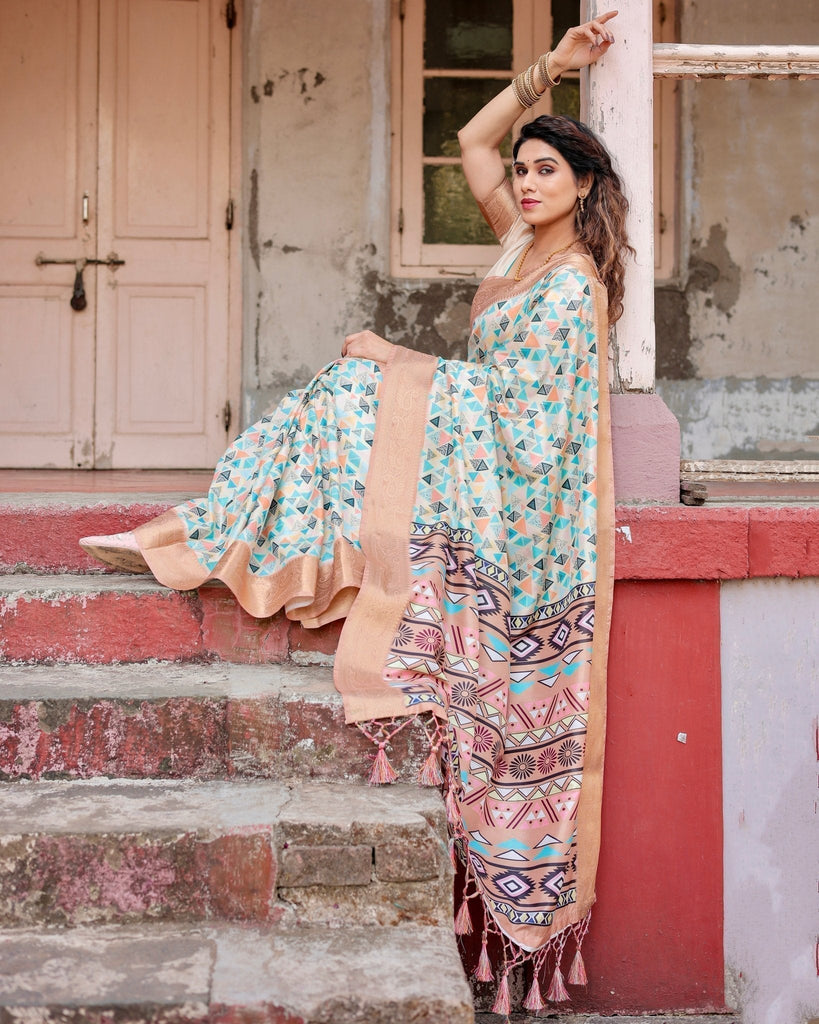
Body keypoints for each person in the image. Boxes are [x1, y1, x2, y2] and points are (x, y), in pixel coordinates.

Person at [81, 11, 630, 1010]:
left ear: (585, 185)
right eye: (525, 170)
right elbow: (470, 140)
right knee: (336, 391)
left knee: (348, 382)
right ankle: (212, 531)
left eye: (548, 171)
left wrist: (400, 360)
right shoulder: (516, 241)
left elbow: (531, 424)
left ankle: (215, 536)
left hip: (513, 485)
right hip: (475, 442)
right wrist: (552, 67)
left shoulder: (571, 285)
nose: (526, 182)